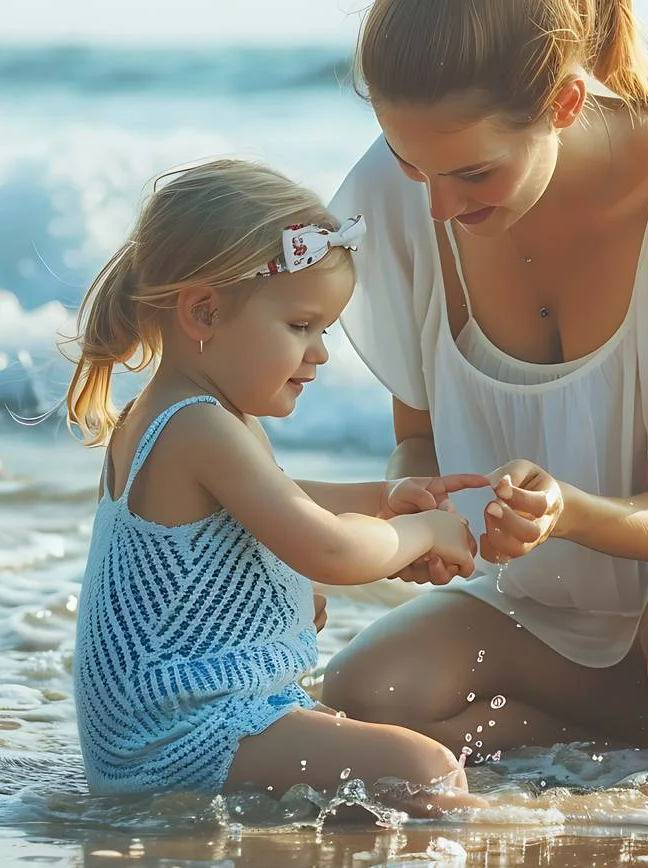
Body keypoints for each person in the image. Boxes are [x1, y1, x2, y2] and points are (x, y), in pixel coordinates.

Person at [322, 0, 648, 762]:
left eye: (474, 173)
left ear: (565, 103)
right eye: (411, 162)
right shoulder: (399, 191)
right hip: (550, 606)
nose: (436, 206)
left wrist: (566, 511)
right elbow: (417, 441)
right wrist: (415, 503)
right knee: (366, 696)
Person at [64, 158, 485, 810]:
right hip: (177, 738)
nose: (320, 352)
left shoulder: (184, 415)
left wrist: (381, 500)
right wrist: (422, 530)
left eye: (324, 329)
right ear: (204, 313)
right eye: (300, 326)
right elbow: (333, 551)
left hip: (175, 725)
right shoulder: (197, 426)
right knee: (424, 768)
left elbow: (276, 499)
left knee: (392, 749)